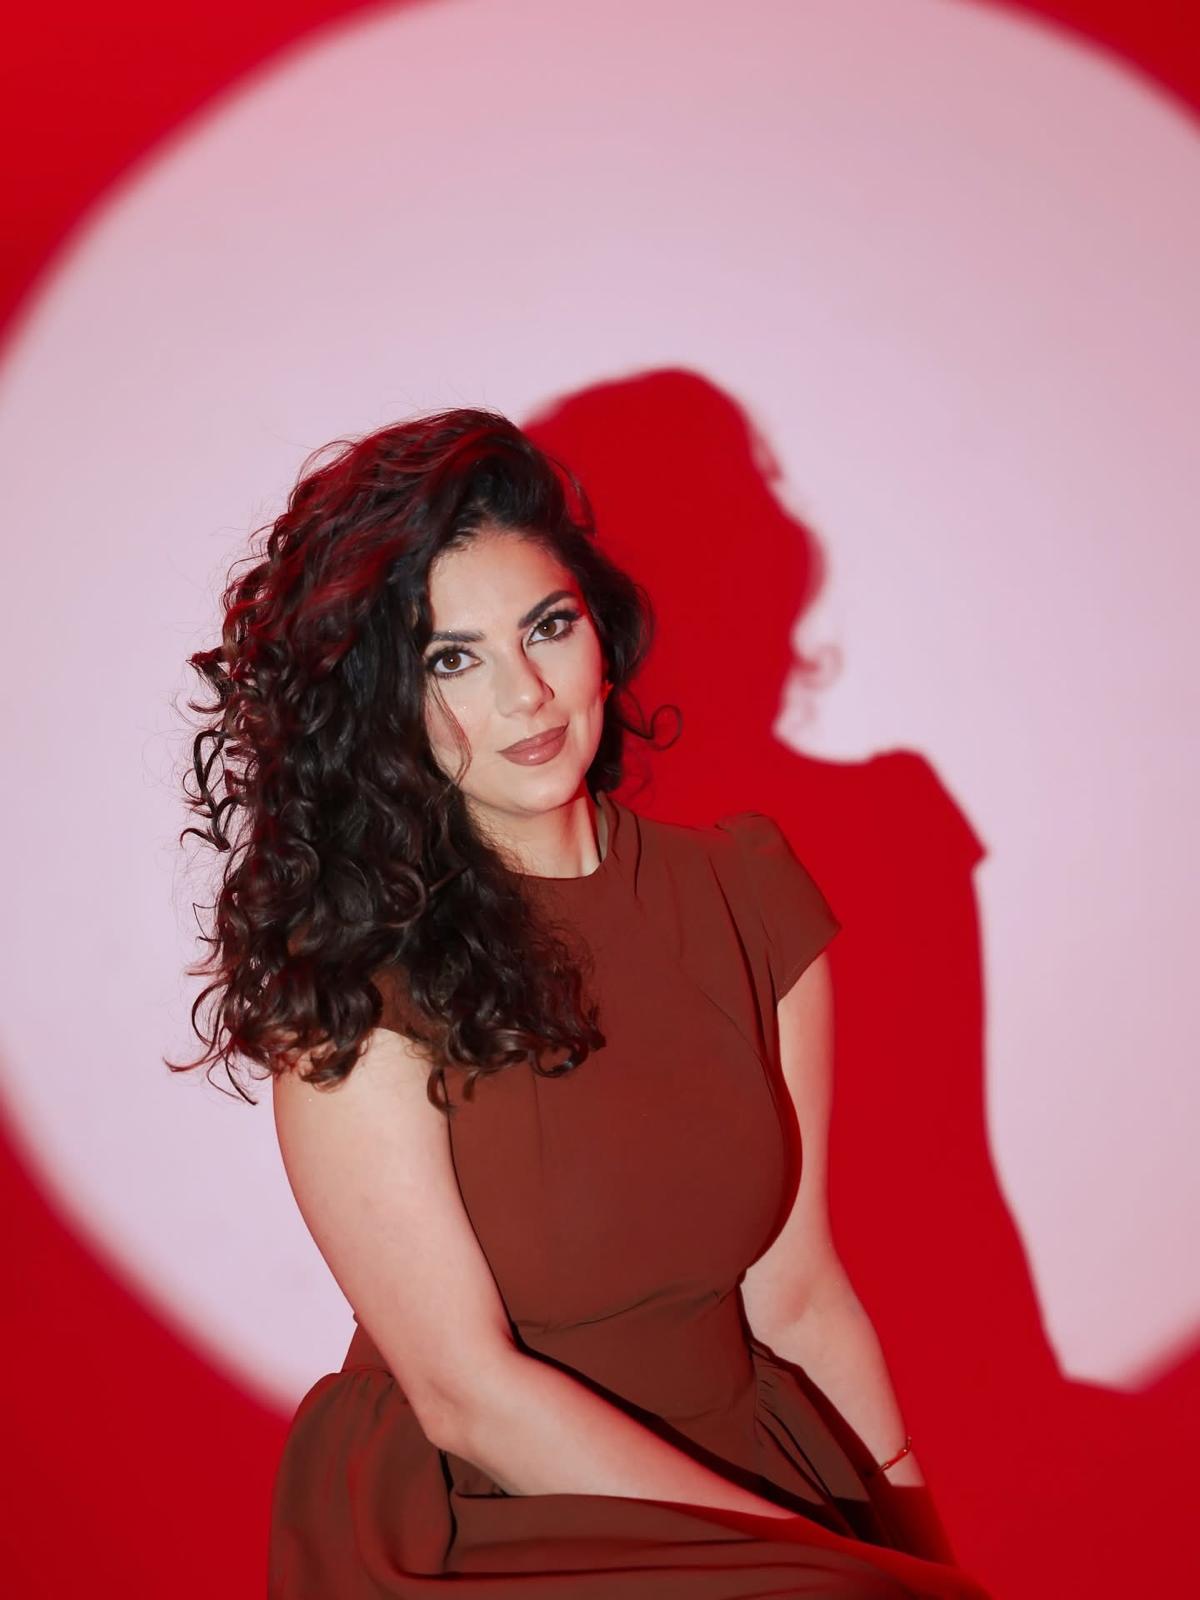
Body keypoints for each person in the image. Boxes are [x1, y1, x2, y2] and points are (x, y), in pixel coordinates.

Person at [173, 408, 991, 1598]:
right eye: (453, 660)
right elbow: (466, 1392)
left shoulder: (747, 893)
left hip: (747, 1470)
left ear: (599, 631)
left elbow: (800, 1293)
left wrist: (917, 1549)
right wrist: (823, 1568)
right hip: (490, 1511)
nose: (527, 695)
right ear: (385, 701)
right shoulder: (353, 975)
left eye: (547, 627)